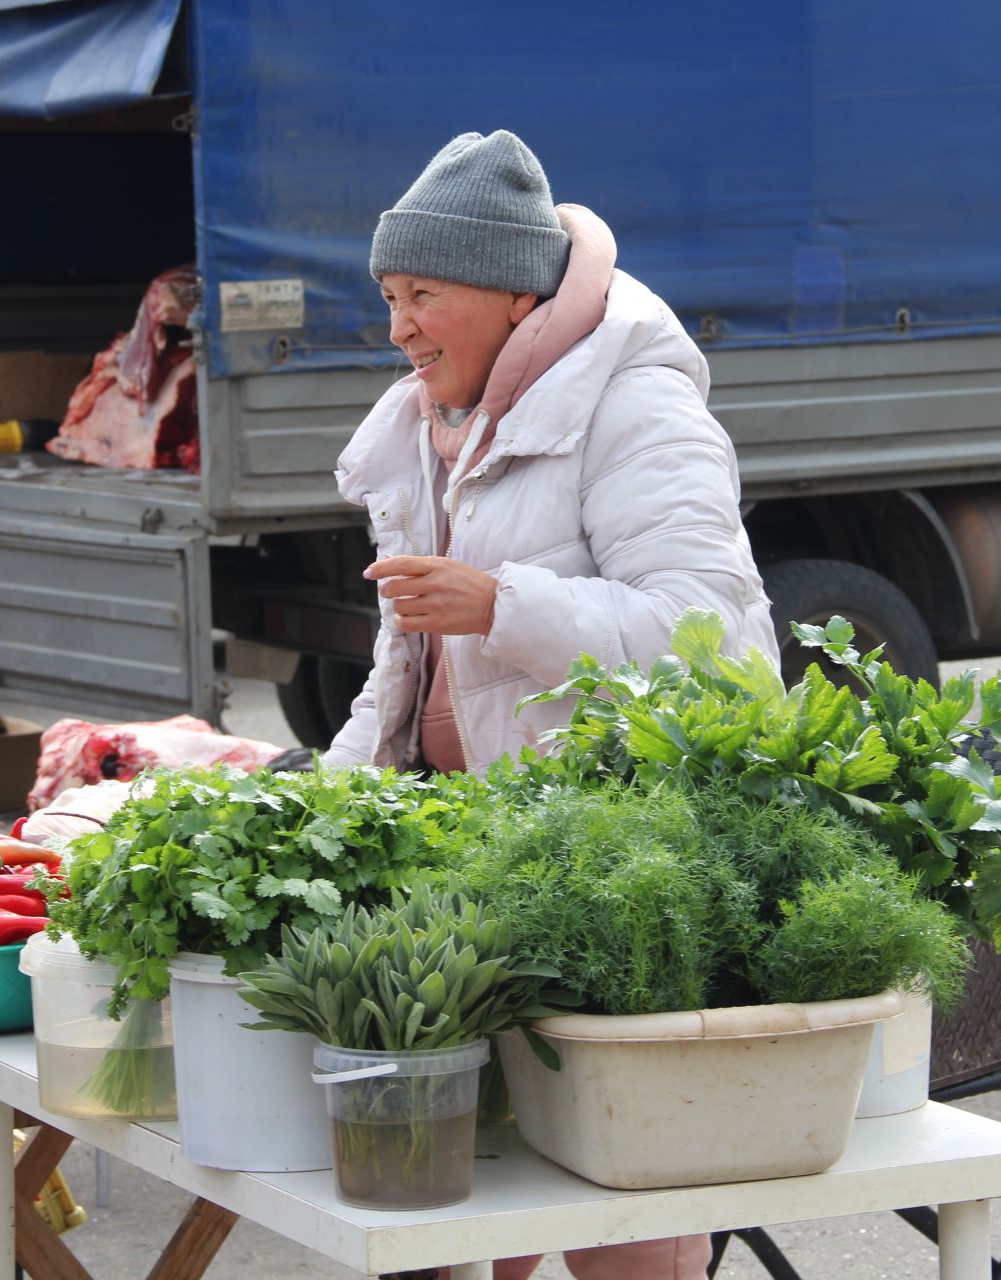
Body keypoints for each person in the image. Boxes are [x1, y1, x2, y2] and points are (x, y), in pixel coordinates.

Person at [322, 131, 777, 1280]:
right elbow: (408, 666)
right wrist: (326, 795)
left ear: (516, 291)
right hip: (468, 859)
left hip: (610, 870)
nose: (399, 326)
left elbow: (716, 643)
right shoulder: (435, 423)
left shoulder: (635, 400)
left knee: (606, 1207)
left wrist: (502, 604)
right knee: (445, 1207)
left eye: (423, 293)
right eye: (387, 296)